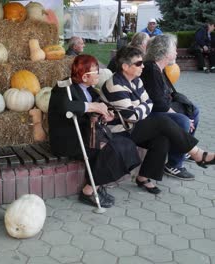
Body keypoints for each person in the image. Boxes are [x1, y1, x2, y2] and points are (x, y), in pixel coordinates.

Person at [102, 46, 215, 194]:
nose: (142, 66)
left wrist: (141, 109)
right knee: (163, 122)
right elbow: (132, 116)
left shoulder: (135, 80)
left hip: (131, 126)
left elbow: (148, 103)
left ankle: (143, 177)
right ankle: (197, 153)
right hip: (118, 131)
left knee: (162, 137)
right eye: (138, 63)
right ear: (125, 66)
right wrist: (142, 108)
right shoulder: (115, 85)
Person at [48, 54, 141, 208]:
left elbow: (96, 107)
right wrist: (93, 107)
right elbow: (67, 107)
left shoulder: (89, 89)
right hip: (68, 140)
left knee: (125, 144)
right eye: (96, 72)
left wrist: (105, 114)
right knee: (113, 150)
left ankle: (97, 185)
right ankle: (88, 191)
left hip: (87, 136)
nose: (99, 73)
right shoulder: (63, 88)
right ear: (85, 76)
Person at [141, 34, 200, 181]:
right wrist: (181, 116)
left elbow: (168, 95)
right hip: (150, 114)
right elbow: (158, 103)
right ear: (165, 51)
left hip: (160, 109)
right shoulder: (150, 69)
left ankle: (183, 148)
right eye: (174, 48)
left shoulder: (159, 68)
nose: (176, 52)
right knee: (184, 121)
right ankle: (174, 164)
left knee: (193, 109)